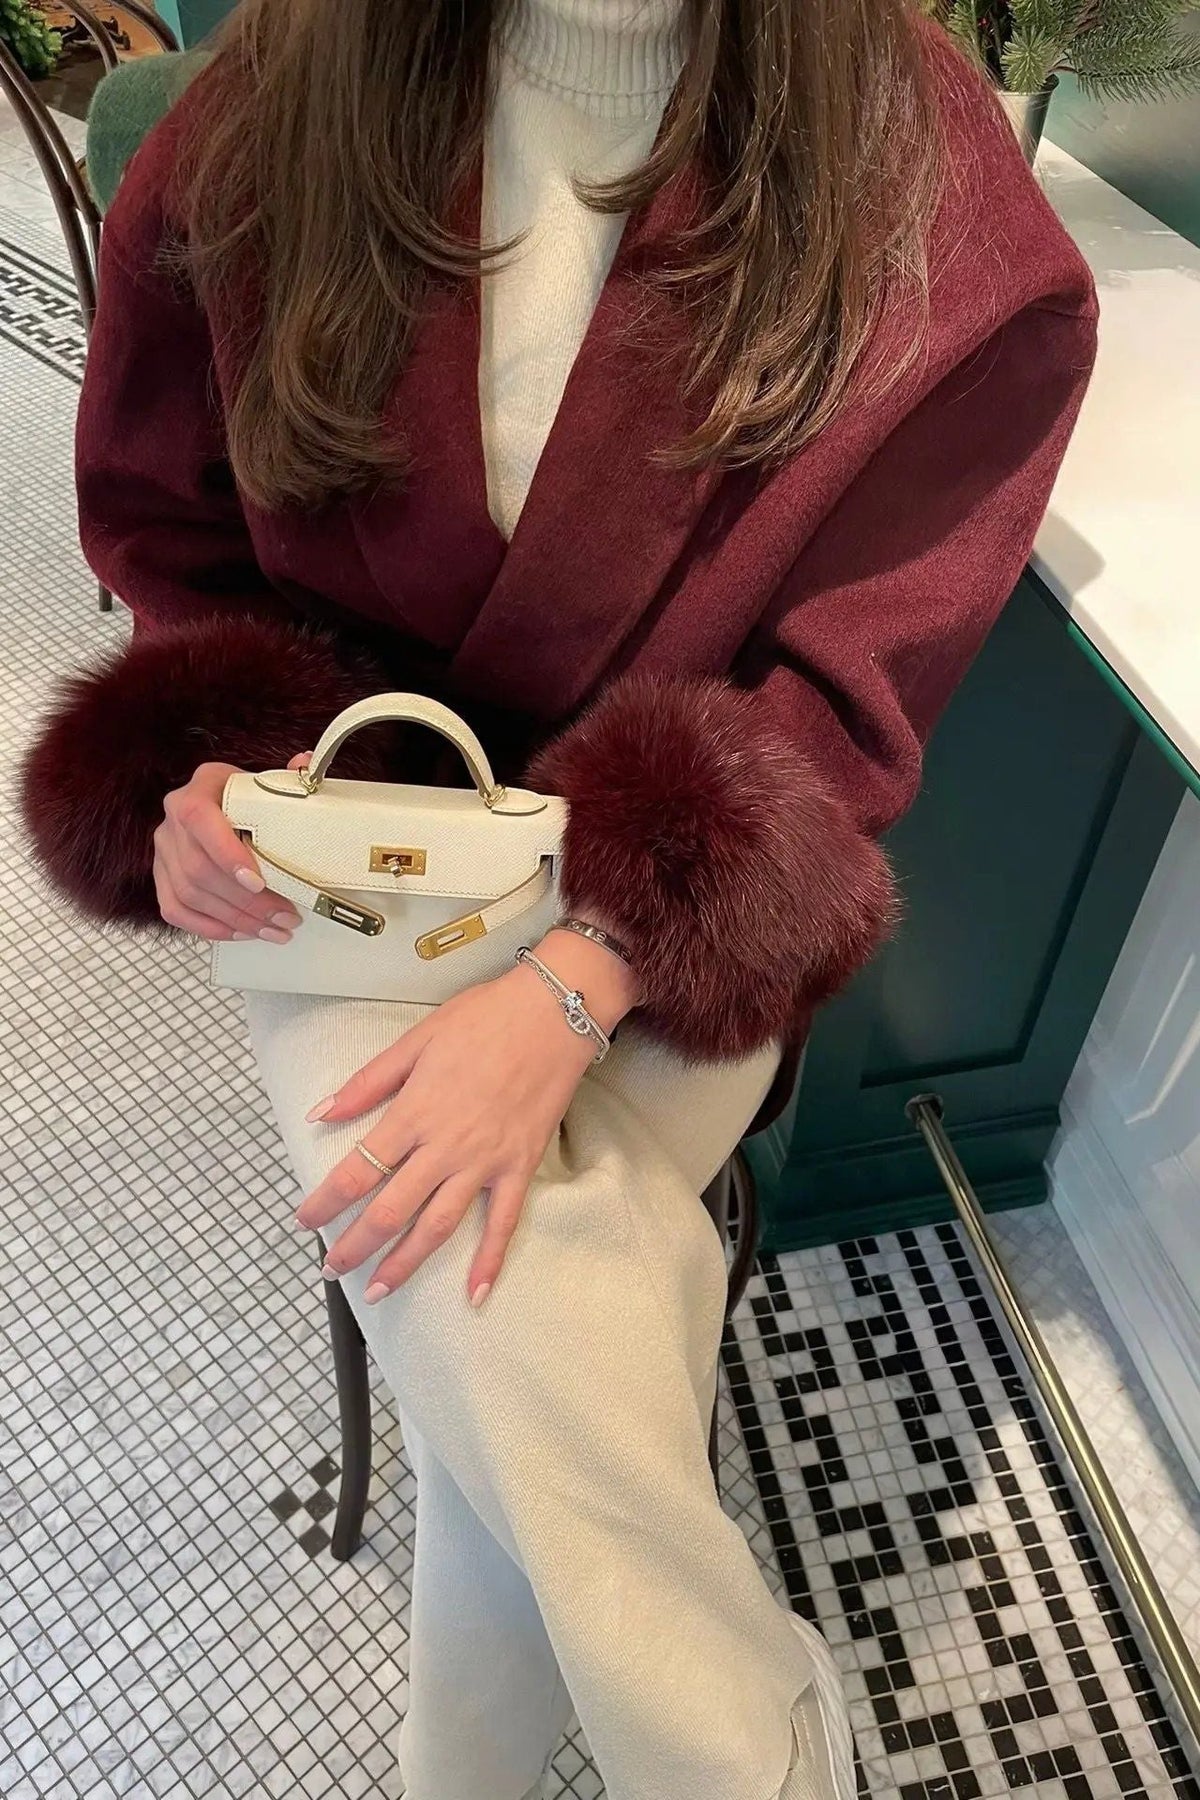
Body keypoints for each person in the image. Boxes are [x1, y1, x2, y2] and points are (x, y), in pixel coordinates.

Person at [20, 0, 1097, 1792]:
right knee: (492, 1280)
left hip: (686, 888)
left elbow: (848, 691)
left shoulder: (915, 163)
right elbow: (174, 528)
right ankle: (757, 1749)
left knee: (497, 1333)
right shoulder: (287, 93)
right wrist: (205, 763)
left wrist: (581, 978)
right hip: (369, 847)